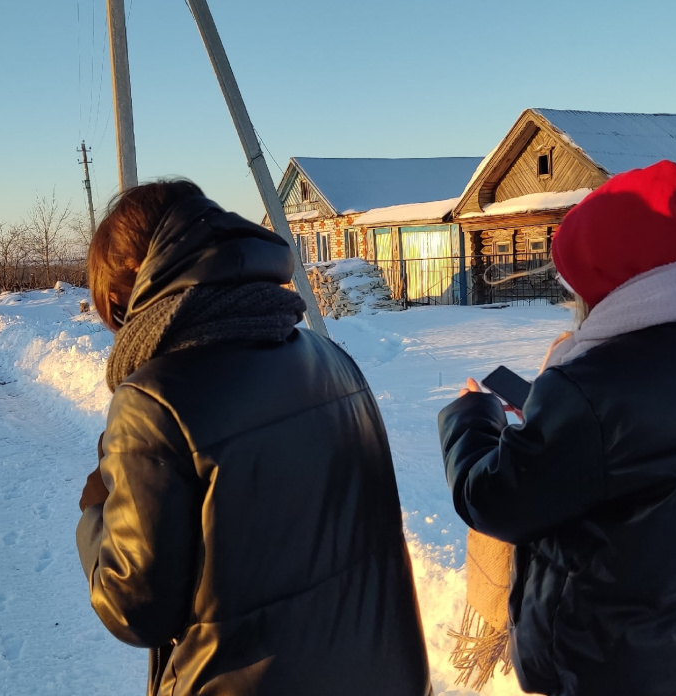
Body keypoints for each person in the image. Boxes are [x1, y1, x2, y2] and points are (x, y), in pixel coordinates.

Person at [438, 160, 676, 696]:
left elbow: (495, 502)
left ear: (596, 283)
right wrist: (557, 430)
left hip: (624, 668)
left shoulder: (588, 387)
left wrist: (473, 417)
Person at [75, 180, 430, 696]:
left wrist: (96, 515)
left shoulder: (155, 399)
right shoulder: (332, 360)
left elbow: (136, 609)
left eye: (113, 305)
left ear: (134, 285)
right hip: (387, 676)